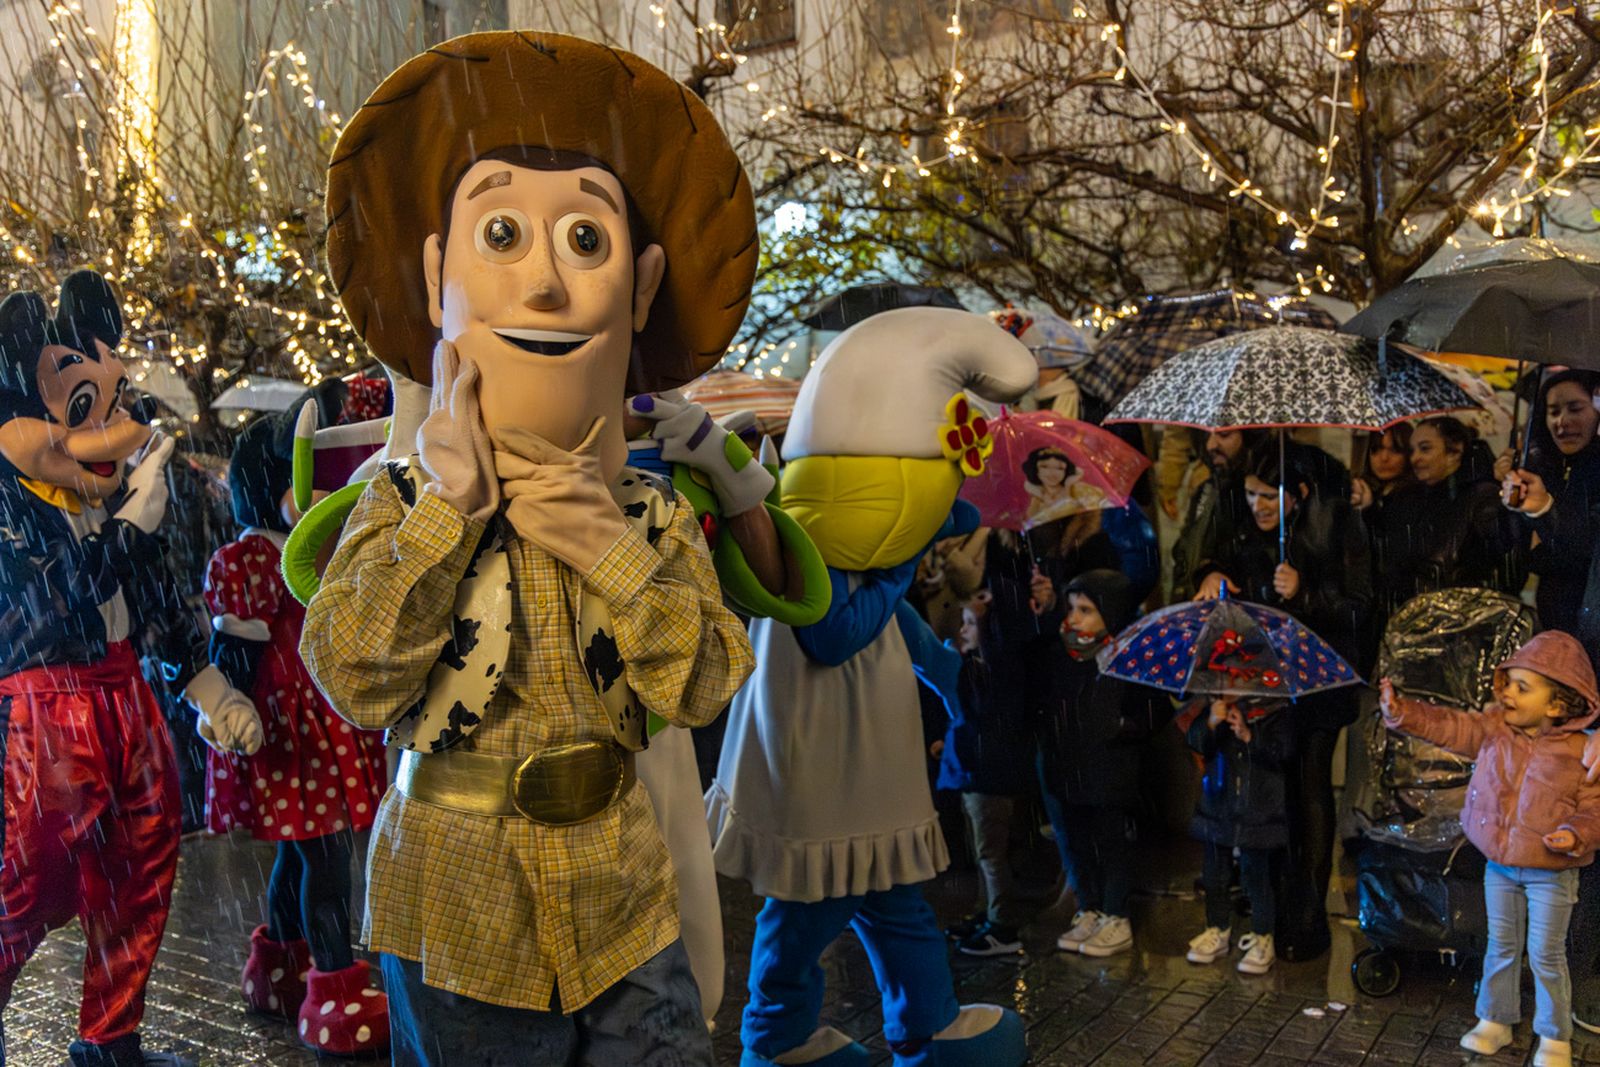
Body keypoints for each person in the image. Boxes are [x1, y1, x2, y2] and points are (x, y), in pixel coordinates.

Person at [300, 32, 760, 1064]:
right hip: (458, 914)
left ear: (638, 290)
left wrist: (609, 546)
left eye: (585, 242)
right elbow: (350, 675)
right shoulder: (399, 498)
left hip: (625, 904)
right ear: (436, 275)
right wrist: (445, 513)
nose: (546, 285)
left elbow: (706, 682)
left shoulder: (651, 509)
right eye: (501, 232)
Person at [708, 307, 1033, 1067]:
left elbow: (901, 635)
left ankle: (927, 1023)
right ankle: (777, 1039)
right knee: (807, 909)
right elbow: (834, 631)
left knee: (890, 902)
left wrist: (955, 682)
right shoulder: (811, 548)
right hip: (825, 765)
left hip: (864, 768)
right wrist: (897, 566)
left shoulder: (854, 541)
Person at [0, 272, 256, 1067]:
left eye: (113, 403)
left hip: (126, 697)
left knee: (140, 864)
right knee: (24, 885)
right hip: (41, 716)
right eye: (84, 408)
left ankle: (112, 1037)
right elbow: (63, 602)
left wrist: (205, 682)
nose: (112, 428)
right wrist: (130, 534)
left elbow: (154, 603)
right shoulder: (11, 509)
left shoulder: (111, 503)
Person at [203, 405, 389, 1055]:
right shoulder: (248, 559)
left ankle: (280, 973)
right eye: (297, 477)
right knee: (327, 854)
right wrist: (230, 713)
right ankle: (335, 988)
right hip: (287, 729)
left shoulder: (303, 546)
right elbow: (236, 653)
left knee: (305, 849)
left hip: (317, 717)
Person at [1380, 631, 1600, 1067]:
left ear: (1557, 704)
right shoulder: (1494, 729)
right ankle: (1495, 1020)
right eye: (1509, 683)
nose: (1509, 694)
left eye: (1523, 687)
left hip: (1551, 872)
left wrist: (1576, 835)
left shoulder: (1583, 751)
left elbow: (1594, 810)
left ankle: (1554, 1036)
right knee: (1500, 944)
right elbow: (1449, 725)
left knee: (1545, 954)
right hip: (1499, 865)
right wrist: (1403, 713)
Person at [1193, 446, 1371, 960]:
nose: (1258, 505)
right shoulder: (1251, 532)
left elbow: (1358, 607)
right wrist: (1213, 572)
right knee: (1274, 792)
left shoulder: (1338, 524)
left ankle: (1307, 917)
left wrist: (1306, 592)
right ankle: (1268, 906)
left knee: (1310, 790)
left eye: (1268, 496)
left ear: (1300, 494)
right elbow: (1236, 580)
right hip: (1267, 682)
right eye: (1250, 494)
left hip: (1319, 683)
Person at [1038, 570, 1168, 958]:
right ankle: (1089, 907)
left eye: (1086, 610)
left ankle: (1116, 914)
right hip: (1069, 767)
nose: (1074, 619)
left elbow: (1153, 711)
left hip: (1111, 770)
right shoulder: (1062, 653)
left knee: (1112, 844)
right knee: (1077, 842)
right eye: (1071, 609)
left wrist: (1121, 726)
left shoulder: (1128, 657)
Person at [937, 596, 1039, 957]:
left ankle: (1002, 926)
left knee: (990, 853)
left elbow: (979, 716)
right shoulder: (985, 667)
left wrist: (958, 667)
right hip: (974, 774)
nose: (962, 629)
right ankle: (987, 914)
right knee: (984, 852)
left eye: (969, 623)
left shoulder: (996, 672)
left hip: (987, 777)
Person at [1184, 697, 1296, 976]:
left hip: (1258, 808)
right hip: (1218, 806)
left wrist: (1250, 735)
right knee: (1214, 874)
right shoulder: (1216, 705)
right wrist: (1212, 720)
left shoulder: (1276, 710)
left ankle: (1262, 936)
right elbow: (1196, 741)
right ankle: (1217, 929)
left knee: (1256, 876)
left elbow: (1285, 750)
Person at [1497, 371, 1600, 636]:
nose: (1562, 422)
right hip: (1551, 626)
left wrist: (1546, 510)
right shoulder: (1543, 470)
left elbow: (1587, 551)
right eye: (1553, 411)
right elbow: (1515, 556)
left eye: (1575, 408)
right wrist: (1508, 495)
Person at [1383, 416, 1525, 600]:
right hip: (1419, 615)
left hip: (1464, 616)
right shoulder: (1411, 497)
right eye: (1412, 451)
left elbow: (1507, 568)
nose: (1415, 458)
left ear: (1455, 451)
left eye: (1425, 448)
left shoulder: (1483, 496)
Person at [1170, 428, 1267, 601]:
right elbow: (1187, 554)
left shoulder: (1269, 491)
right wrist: (1207, 573)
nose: (1210, 445)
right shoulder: (1208, 489)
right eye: (1207, 435)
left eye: (1224, 435)